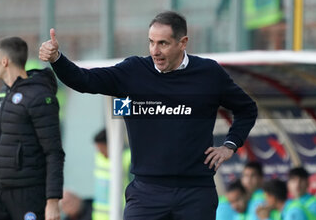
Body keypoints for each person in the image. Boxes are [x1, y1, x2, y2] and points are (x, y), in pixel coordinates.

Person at [39, 11, 258, 220]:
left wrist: (230, 145)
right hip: (146, 192)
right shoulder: (133, 71)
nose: (155, 50)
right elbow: (84, 80)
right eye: (151, 42)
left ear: (183, 43)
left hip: (196, 192)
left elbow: (247, 109)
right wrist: (57, 58)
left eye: (163, 43)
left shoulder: (209, 74)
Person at [0, 37, 65, 220]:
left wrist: (53, 201)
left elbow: (53, 152)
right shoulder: (4, 93)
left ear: (5, 61)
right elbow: (8, 139)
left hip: (28, 194)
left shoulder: (39, 96)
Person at [92, 128, 132, 220]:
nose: (101, 153)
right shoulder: (100, 159)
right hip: (99, 216)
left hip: (120, 212)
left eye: (102, 149)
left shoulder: (127, 158)